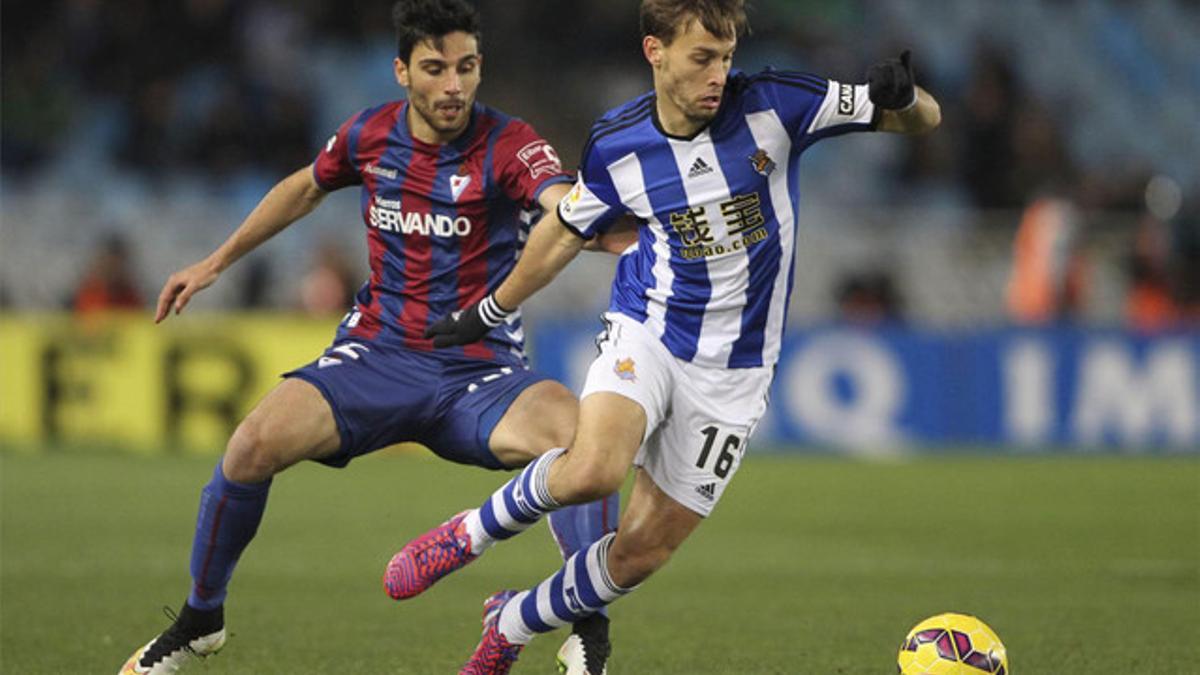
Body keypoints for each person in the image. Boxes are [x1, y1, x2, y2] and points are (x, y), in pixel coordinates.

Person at [388, 1, 942, 672]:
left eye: (725, 58)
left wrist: (903, 98)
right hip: (648, 330)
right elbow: (565, 231)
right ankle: (467, 534)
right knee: (593, 469)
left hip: (736, 370)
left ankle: (511, 622)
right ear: (656, 52)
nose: (718, 75)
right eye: (701, 58)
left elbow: (922, 118)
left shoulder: (776, 104)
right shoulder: (617, 143)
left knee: (641, 552)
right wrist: (488, 309)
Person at [118, 1, 631, 673]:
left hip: (479, 369)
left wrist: (607, 229)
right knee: (249, 447)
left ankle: (585, 626)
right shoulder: (369, 135)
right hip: (377, 357)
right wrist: (215, 262)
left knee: (584, 444)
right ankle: (199, 621)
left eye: (467, 67)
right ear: (402, 71)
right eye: (435, 68)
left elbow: (560, 205)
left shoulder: (511, 143)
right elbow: (304, 188)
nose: (454, 85)